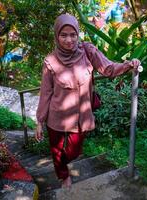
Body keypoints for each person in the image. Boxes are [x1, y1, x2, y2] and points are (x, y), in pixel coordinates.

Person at [35, 13, 140, 189]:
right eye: (63, 35)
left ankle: (62, 164)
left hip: (80, 115)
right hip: (56, 116)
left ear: (78, 34)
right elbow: (45, 92)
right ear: (56, 36)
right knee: (56, 150)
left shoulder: (87, 51)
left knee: (74, 151)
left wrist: (128, 65)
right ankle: (63, 175)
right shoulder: (50, 61)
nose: (69, 40)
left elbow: (107, 68)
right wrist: (39, 121)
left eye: (73, 34)